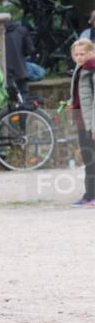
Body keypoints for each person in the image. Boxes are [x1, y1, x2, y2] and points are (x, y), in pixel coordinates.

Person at [68, 39, 95, 207]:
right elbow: (82, 96)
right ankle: (89, 194)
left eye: (82, 54)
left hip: (91, 124)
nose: (79, 57)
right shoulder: (81, 69)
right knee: (88, 160)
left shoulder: (92, 69)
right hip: (81, 121)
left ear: (92, 53)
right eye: (76, 54)